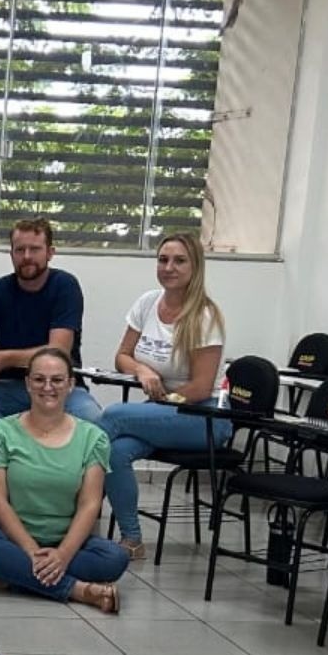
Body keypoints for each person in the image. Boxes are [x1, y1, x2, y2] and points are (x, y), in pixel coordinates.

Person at [0, 346, 126, 611]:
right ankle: (78, 590)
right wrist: (29, 549)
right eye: (39, 379)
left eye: (57, 380)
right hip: (11, 540)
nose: (47, 387)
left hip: (66, 540)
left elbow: (89, 505)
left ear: (71, 384)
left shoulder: (93, 438)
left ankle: (7, 576)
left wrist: (63, 555)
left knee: (115, 557)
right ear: (28, 383)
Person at [102, 230, 229, 559]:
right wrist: (142, 371)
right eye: (163, 259)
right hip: (164, 412)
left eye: (179, 261)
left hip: (204, 417)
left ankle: (67, 502)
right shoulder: (147, 302)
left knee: (113, 416)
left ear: (195, 266)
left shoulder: (205, 316)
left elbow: (201, 387)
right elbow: (122, 356)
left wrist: (161, 405)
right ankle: (132, 540)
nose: (169, 267)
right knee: (115, 452)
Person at [0, 217, 100, 436]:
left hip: (61, 387)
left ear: (50, 253)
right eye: (20, 250)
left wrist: (5, 358)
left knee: (92, 418)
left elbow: (58, 350)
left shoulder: (65, 285)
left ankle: (23, 449)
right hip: (13, 387)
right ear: (11, 254)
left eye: (35, 249)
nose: (27, 256)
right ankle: (18, 450)